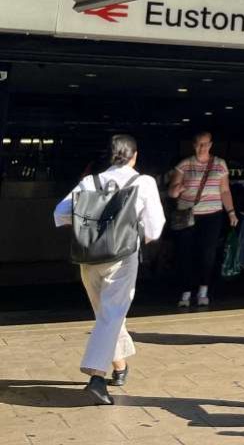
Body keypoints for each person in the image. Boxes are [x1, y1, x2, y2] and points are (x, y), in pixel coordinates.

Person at [53, 135, 165, 405]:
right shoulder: (143, 182)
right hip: (122, 257)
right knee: (111, 315)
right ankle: (96, 377)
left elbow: (60, 213)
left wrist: (90, 233)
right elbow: (154, 227)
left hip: (89, 259)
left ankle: (120, 365)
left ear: (111, 154)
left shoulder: (89, 182)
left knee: (107, 315)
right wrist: (133, 238)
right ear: (134, 155)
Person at [166, 131, 238, 308]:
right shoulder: (184, 165)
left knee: (207, 254)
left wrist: (231, 212)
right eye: (199, 144)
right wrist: (178, 189)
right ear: (193, 145)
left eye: (206, 144)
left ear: (211, 145)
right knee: (186, 253)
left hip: (212, 214)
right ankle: (186, 291)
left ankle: (203, 290)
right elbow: (171, 191)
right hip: (187, 215)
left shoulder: (220, 165)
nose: (202, 147)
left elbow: (225, 190)